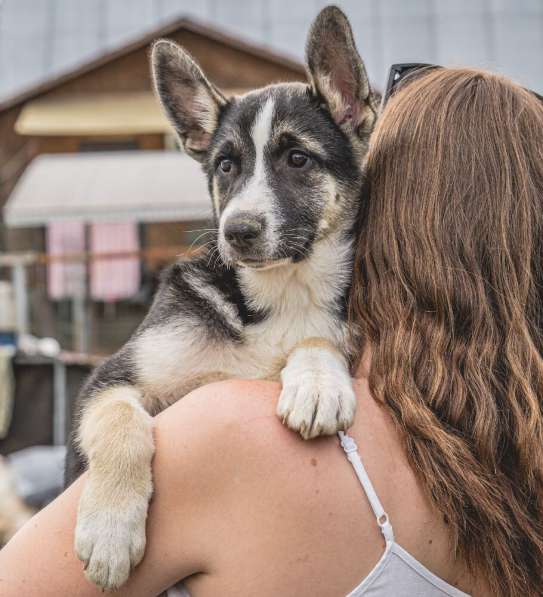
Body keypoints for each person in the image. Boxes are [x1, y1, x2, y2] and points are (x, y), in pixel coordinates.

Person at [1, 65, 542, 597]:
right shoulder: (510, 456)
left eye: (298, 160)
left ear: (375, 200)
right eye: (228, 168)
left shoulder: (239, 421)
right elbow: (114, 393)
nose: (242, 208)